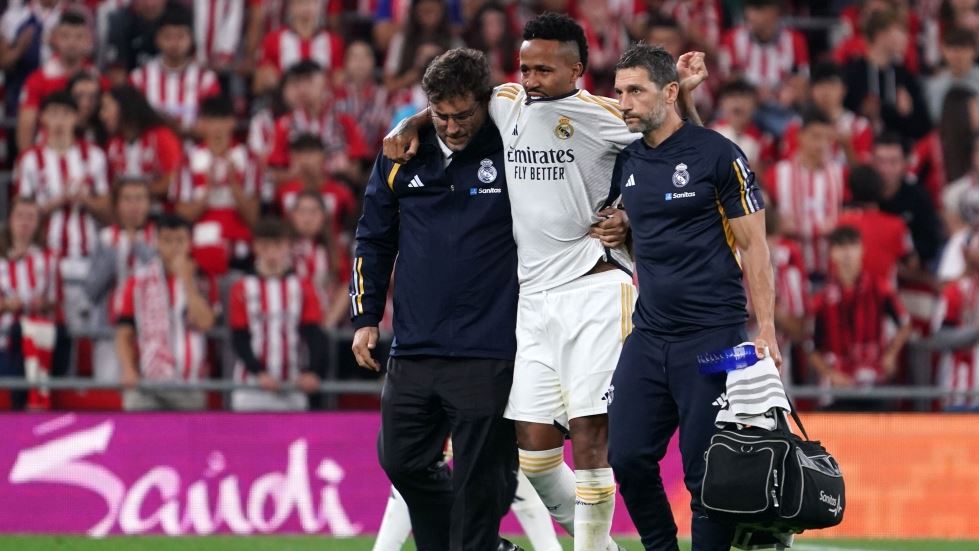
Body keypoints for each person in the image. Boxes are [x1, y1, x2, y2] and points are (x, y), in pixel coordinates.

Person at [382, 13, 707, 551]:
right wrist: (410, 124)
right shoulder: (508, 101)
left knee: (589, 435)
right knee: (532, 450)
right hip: (531, 298)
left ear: (576, 70)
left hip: (594, 287)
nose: (530, 78)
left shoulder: (602, 115)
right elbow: (459, 101)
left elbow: (682, 153)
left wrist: (629, 215)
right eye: (524, 67)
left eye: (543, 70)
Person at [605, 43, 778, 551]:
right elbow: (646, 231)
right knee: (628, 456)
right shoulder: (628, 160)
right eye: (619, 92)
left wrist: (765, 331)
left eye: (635, 91)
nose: (624, 103)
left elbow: (755, 248)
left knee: (707, 475)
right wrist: (622, 229)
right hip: (650, 334)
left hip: (715, 339)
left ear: (671, 92)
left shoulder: (720, 154)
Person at [353, 47, 524, 551]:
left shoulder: (514, 146)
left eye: (462, 114)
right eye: (441, 115)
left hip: (488, 347)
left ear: (485, 103)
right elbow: (373, 237)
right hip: (415, 344)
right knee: (401, 459)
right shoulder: (400, 155)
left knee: (481, 482)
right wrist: (365, 316)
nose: (450, 127)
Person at [115, 214, 217, 410]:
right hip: (148, 381)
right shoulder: (138, 282)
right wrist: (128, 369)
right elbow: (124, 332)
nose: (174, 247)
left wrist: (187, 281)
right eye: (167, 241)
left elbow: (205, 323)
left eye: (180, 240)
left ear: (190, 243)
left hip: (190, 383)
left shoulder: (203, 280)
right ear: (156, 243)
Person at [809, 225, 911, 411]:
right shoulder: (822, 299)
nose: (847, 254)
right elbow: (811, 346)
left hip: (874, 381)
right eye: (841, 247)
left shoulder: (880, 288)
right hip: (839, 387)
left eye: (852, 246)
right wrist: (830, 374)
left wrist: (891, 355)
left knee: (878, 437)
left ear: (862, 250)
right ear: (832, 254)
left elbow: (904, 324)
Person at [228, 217, 325, 411]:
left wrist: (314, 372)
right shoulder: (241, 288)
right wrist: (259, 372)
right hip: (251, 385)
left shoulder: (303, 286)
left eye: (277, 245)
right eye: (265, 246)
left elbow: (314, 333)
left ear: (287, 246)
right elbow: (239, 337)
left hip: (293, 383)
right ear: (255, 247)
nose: (271, 252)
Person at [174, 95, 260, 273]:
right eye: (211, 120)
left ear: (233, 122)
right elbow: (182, 218)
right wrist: (208, 189)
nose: (218, 127)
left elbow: (253, 218)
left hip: (240, 250)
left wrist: (234, 184)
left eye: (223, 120)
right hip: (200, 249)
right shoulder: (188, 159)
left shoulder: (249, 159)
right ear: (201, 124)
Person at [85, 177, 157, 384]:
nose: (134, 205)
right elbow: (91, 291)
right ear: (117, 205)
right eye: (127, 199)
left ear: (148, 203)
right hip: (110, 331)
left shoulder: (160, 236)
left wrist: (140, 248)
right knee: (109, 391)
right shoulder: (105, 238)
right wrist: (114, 255)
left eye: (140, 199)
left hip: (150, 334)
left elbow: (163, 280)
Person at [763, 109, 847, 279]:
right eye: (815, 137)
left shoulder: (840, 174)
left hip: (830, 272)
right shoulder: (777, 174)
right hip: (790, 271)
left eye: (826, 138)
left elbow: (850, 215)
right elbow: (767, 219)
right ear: (800, 136)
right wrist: (779, 224)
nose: (821, 144)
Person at [0, 197, 61, 411]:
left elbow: (56, 303)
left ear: (38, 223)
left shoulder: (49, 259)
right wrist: (6, 305)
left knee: (31, 335)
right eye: (19, 216)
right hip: (5, 340)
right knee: (17, 334)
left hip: (38, 337)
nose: (24, 222)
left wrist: (43, 303)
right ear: (10, 219)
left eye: (30, 217)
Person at [129, 5, 221, 132]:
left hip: (193, 150)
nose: (174, 43)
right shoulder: (139, 79)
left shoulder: (206, 80)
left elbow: (214, 125)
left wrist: (177, 127)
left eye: (180, 36)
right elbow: (133, 123)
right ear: (157, 39)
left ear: (191, 39)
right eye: (168, 37)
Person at [16, 9, 94, 152]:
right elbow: (26, 126)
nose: (72, 42)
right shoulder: (38, 79)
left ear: (88, 40)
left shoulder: (96, 78)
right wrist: (28, 160)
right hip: (47, 154)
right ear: (54, 39)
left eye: (79, 37)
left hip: (88, 156)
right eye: (65, 36)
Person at [101, 85, 184, 215]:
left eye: (106, 108)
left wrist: (130, 193)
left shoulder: (161, 136)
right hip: (124, 220)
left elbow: (172, 182)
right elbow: (111, 186)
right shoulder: (113, 144)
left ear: (124, 107)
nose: (102, 115)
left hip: (160, 215)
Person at [837, 165, 914, 284]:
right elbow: (911, 263)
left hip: (848, 293)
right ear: (881, 190)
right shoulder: (896, 225)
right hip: (882, 295)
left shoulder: (841, 222)